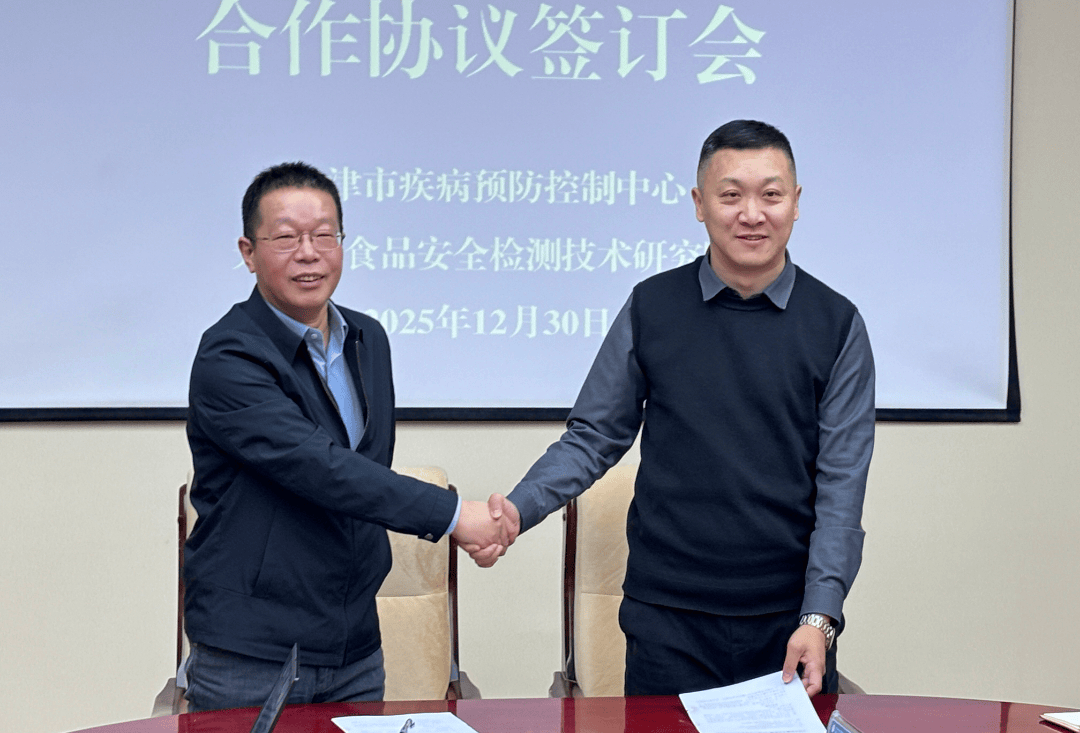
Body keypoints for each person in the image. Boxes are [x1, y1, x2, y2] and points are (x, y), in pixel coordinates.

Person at [477, 120, 875, 697]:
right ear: (699, 204)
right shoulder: (652, 306)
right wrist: (518, 509)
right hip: (667, 620)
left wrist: (820, 617)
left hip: (788, 624)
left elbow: (842, 486)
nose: (752, 214)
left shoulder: (836, 325)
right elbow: (593, 437)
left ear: (795, 202)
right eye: (731, 195)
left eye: (770, 194)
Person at [184, 162, 511, 711]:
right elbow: (320, 468)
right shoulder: (229, 355)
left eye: (324, 235)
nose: (309, 254)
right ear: (248, 252)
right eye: (286, 238)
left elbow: (368, 471)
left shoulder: (367, 338)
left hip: (354, 647)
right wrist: (455, 516)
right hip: (253, 653)